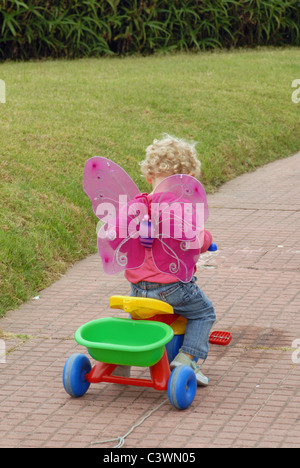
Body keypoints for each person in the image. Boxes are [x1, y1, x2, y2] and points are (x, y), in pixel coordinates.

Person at [125, 135, 216, 386]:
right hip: (171, 287)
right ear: (188, 182)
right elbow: (195, 242)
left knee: (142, 316)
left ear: (148, 176)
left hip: (137, 288)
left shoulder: (135, 206)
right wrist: (207, 238)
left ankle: (125, 357)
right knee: (204, 313)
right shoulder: (180, 208)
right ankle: (187, 359)